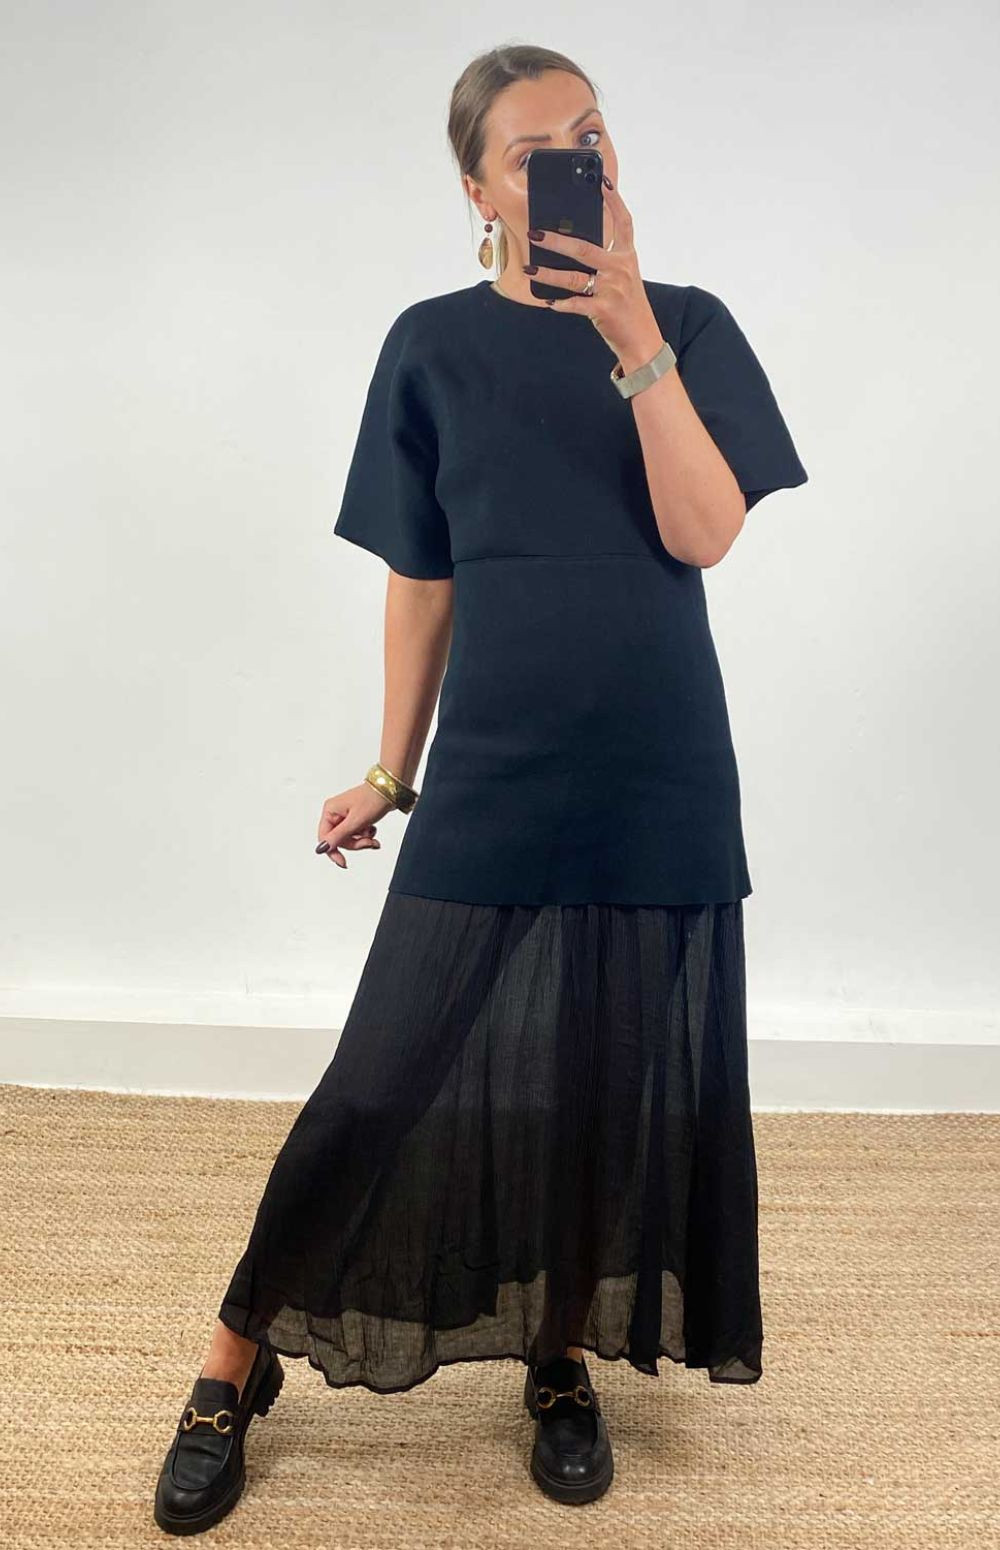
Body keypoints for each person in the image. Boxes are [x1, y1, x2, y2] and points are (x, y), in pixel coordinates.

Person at [154, 42, 808, 1533]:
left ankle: (558, 1357)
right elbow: (422, 577)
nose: (580, 161)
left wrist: (633, 334)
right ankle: (231, 1359)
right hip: (499, 764)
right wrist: (391, 770)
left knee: (601, 1089)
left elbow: (705, 532)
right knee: (377, 1080)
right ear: (480, 191)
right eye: (535, 150)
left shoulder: (690, 321)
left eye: (593, 132)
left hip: (659, 767)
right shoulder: (430, 346)